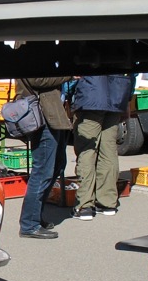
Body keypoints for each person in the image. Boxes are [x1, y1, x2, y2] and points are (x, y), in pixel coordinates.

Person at [70, 74, 135, 219]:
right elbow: (132, 72)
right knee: (108, 150)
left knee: (87, 151)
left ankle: (85, 205)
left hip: (91, 94)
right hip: (117, 94)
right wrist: (127, 98)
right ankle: (107, 202)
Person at [16, 77, 74, 239]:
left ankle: (35, 216)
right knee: (43, 171)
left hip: (51, 114)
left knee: (57, 165)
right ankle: (29, 224)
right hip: (42, 116)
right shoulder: (30, 52)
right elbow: (38, 80)